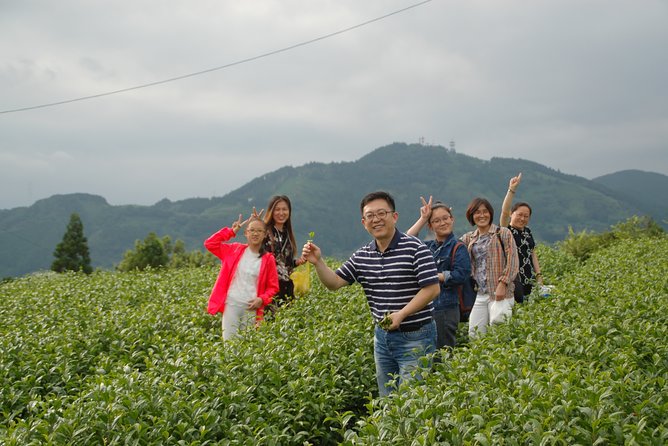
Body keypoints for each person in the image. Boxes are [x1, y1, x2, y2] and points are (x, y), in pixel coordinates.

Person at [302, 191, 440, 397]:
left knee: (412, 403)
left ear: (394, 217)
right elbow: (334, 282)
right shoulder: (362, 255)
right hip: (382, 338)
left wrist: (401, 314)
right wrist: (318, 262)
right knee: (388, 400)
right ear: (363, 222)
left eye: (381, 213)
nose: (376, 219)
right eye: (370, 216)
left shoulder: (415, 248)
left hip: (416, 336)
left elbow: (432, 289)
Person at [406, 196, 472, 349]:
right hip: (425, 308)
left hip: (446, 309)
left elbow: (461, 275)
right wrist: (423, 218)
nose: (443, 223)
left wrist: (436, 276)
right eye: (436, 221)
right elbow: (407, 241)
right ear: (430, 226)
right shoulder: (428, 247)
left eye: (445, 218)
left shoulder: (458, 246)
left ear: (452, 219)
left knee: (442, 354)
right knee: (427, 352)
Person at [204, 213, 279, 340]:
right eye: (252, 230)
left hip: (251, 308)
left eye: (259, 231)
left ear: (265, 234)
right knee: (229, 345)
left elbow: (273, 288)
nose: (255, 234)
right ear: (246, 233)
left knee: (248, 347)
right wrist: (231, 232)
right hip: (231, 305)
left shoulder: (268, 259)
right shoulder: (233, 250)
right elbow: (210, 243)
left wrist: (261, 299)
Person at [461, 198, 519, 339]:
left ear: (490, 213)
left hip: (501, 294)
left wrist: (503, 283)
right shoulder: (469, 238)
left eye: (485, 212)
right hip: (480, 294)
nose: (481, 215)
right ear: (471, 216)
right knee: (475, 336)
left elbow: (513, 261)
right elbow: (452, 246)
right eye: (477, 212)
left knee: (500, 337)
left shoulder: (503, 233)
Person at [500, 173, 543, 303]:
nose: (523, 218)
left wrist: (539, 275)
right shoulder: (506, 230)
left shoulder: (527, 231)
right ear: (512, 214)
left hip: (529, 277)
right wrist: (511, 190)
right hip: (513, 279)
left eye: (526, 216)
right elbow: (504, 211)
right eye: (519, 215)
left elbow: (532, 254)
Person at [262, 195, 306, 314]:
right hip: (269, 288)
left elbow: (285, 263)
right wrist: (256, 224)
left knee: (287, 325)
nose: (281, 213)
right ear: (271, 211)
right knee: (269, 325)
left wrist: (298, 261)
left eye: (284, 209)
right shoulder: (264, 232)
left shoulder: (286, 233)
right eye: (277, 209)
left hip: (287, 288)